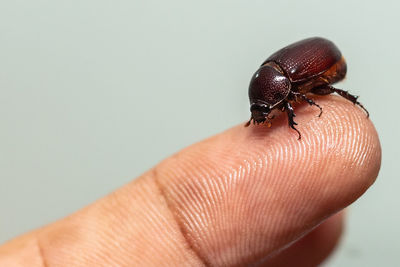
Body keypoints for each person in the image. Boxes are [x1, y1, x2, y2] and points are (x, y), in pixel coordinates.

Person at [0, 96, 381, 266]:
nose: (263, 117)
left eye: (265, 109)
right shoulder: (270, 85)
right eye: (260, 110)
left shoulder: (287, 81)